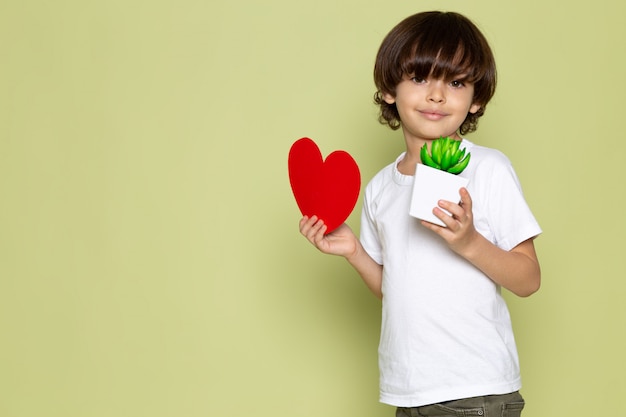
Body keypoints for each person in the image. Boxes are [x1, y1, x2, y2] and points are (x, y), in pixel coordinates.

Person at [299, 11, 542, 417]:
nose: (436, 95)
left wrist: (468, 242)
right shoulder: (380, 188)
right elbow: (392, 287)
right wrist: (354, 251)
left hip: (474, 391)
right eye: (418, 78)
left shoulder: (486, 169)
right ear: (390, 89)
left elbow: (528, 279)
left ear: (476, 99)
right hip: (409, 391)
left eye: (456, 82)